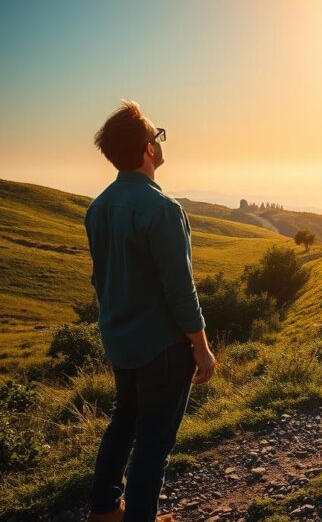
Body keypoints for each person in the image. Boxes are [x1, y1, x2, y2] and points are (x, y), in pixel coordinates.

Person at [84, 99, 217, 522]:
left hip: (119, 340)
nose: (160, 141)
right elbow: (180, 290)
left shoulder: (98, 207)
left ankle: (105, 510)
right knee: (154, 444)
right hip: (162, 347)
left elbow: (100, 280)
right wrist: (201, 346)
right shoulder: (163, 209)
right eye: (157, 134)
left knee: (124, 421)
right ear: (147, 150)